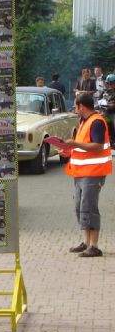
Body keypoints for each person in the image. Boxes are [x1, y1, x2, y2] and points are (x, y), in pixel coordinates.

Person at [60, 93, 112, 257]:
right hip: (81, 172)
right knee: (80, 207)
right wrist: (69, 151)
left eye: (75, 106)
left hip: (93, 172)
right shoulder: (84, 121)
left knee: (89, 207)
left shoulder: (96, 122)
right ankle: (86, 243)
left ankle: (94, 246)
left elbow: (97, 146)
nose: (75, 109)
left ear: (81, 106)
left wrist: (74, 143)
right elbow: (84, 146)